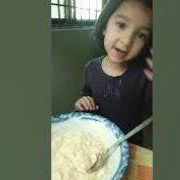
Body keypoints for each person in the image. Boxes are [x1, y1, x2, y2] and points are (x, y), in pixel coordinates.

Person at [74, 0, 153, 146]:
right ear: (105, 26)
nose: (126, 41)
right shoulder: (90, 68)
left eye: (141, 35)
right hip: (97, 141)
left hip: (130, 144)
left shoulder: (145, 76)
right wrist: (83, 101)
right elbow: (86, 93)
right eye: (121, 25)